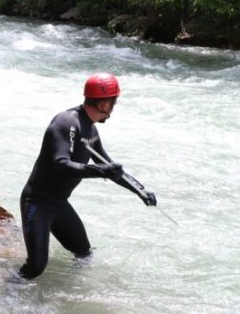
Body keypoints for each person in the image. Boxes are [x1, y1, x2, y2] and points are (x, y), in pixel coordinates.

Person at [18, 72, 157, 279]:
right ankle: (5, 292)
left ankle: (69, 294)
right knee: (36, 266)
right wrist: (101, 171)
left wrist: (140, 189)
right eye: (113, 102)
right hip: (37, 202)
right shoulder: (66, 122)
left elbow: (109, 168)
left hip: (59, 204)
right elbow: (61, 164)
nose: (113, 108)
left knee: (84, 254)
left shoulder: (91, 130)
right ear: (104, 104)